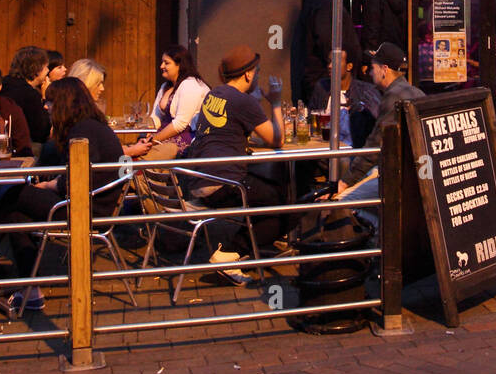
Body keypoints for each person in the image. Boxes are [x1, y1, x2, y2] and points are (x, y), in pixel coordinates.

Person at [0, 78, 150, 309]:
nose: (45, 107)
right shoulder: (91, 126)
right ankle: (30, 289)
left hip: (87, 210)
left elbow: (76, 181)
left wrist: (46, 186)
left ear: (63, 103)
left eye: (50, 102)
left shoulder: (82, 132)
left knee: (12, 193)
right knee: (18, 215)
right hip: (93, 204)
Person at [180, 47, 286, 269]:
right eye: (257, 71)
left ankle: (252, 244)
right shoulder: (243, 101)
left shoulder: (214, 94)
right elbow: (278, 140)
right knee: (285, 205)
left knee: (271, 195)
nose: (257, 76)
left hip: (198, 181)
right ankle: (231, 252)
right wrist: (275, 102)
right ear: (248, 74)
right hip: (223, 184)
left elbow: (225, 132)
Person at [336, 43, 424, 204]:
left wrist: (346, 181)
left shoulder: (393, 98)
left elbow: (375, 147)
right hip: (417, 175)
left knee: (343, 200)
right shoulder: (417, 92)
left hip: (399, 178)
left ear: (384, 69)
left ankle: (377, 227)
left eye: (372, 67)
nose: (370, 73)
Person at [291, 0, 362, 104]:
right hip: (326, 82)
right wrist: (339, 66)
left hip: (322, 79)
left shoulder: (314, 1)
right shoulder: (325, 3)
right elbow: (327, 41)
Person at [140, 46, 210, 162]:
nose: (161, 66)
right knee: (136, 147)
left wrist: (155, 139)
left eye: (166, 63)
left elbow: (180, 124)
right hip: (162, 135)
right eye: (162, 62)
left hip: (182, 138)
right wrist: (149, 133)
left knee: (144, 157)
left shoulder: (190, 85)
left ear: (179, 65)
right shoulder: (165, 86)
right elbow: (156, 117)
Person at [308, 52, 381, 149]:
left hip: (352, 151)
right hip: (322, 150)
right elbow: (310, 118)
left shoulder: (366, 91)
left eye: (335, 62)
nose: (330, 66)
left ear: (349, 66)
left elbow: (375, 124)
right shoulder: (322, 87)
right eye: (329, 62)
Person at [0, 46, 51, 149]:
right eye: (46, 67)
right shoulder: (30, 95)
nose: (48, 70)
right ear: (37, 69)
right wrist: (45, 97)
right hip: (19, 148)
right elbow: (41, 133)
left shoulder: (3, 84)